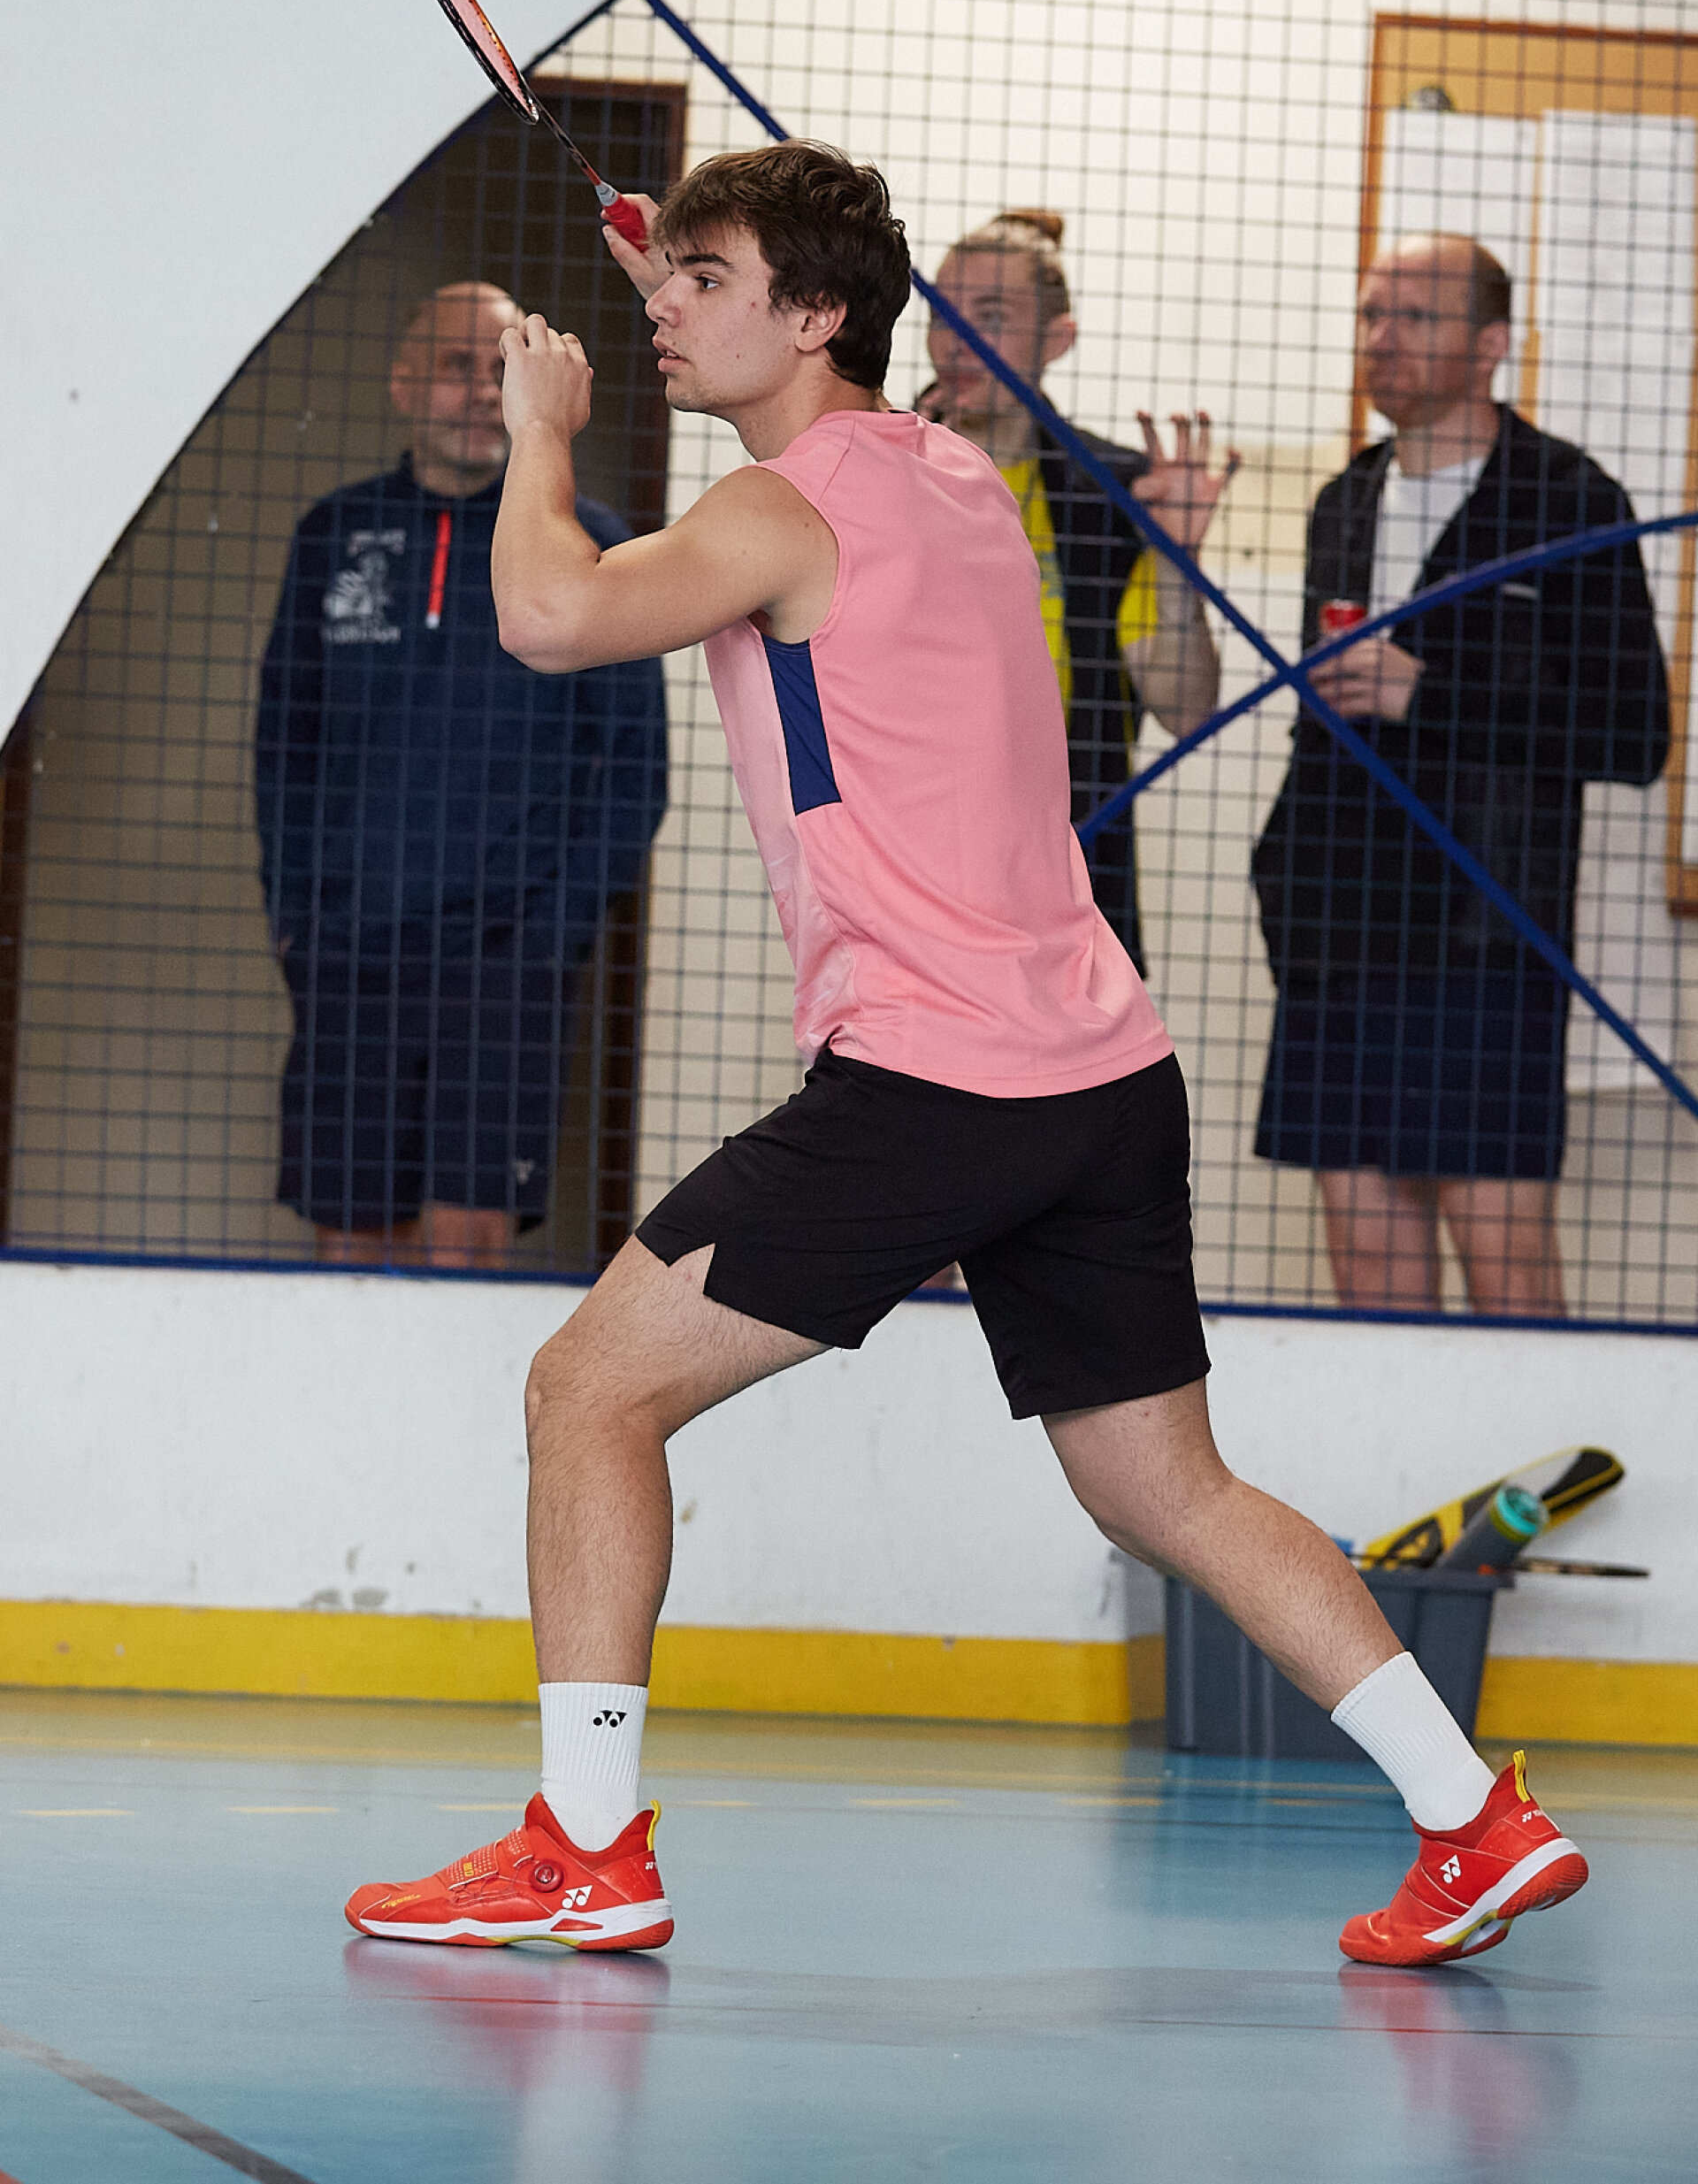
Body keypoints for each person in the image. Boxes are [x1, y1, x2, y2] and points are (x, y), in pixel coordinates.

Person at [345, 148, 1587, 1967]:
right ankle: (1473, 1819)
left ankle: (585, 1849)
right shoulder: (952, 474)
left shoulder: (780, 509)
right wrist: (686, 279)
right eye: (667, 277)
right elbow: (802, 396)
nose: (669, 307)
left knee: (588, 1390)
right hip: (1103, 1072)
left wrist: (546, 430)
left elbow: (549, 615)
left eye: (708, 282)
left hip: (936, 1076)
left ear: (819, 314)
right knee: (1167, 1490)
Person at [1252, 234, 1669, 1315]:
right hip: (1336, 928)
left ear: (1491, 346)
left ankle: (1532, 1440)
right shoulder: (1346, 499)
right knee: (1369, 1264)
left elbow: (1635, 736)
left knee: (1504, 1259)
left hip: (1482, 934)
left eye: (1416, 318)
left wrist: (1426, 693)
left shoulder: (1569, 498)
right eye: (1371, 315)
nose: (1381, 339)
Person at [255, 281, 669, 1268]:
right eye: (455, 367)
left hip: (505, 961)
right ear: (404, 383)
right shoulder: (334, 534)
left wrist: (549, 939)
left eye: (500, 370)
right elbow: (284, 745)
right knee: (350, 1241)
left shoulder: (594, 544)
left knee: (467, 1242)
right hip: (349, 949)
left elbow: (634, 771)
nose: (481, 392)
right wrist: (299, 919)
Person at [923, 211, 1235, 969]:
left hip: (1070, 877)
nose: (955, 341)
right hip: (913, 869)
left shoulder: (1115, 491)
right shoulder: (877, 468)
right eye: (940, 314)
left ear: (1057, 340)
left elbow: (1186, 709)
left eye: (991, 316)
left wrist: (1177, 558)